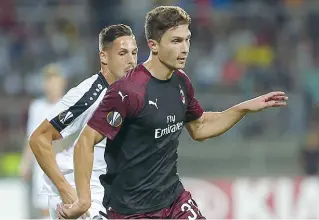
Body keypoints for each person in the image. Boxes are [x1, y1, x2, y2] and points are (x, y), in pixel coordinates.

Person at [58, 6, 288, 219]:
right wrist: (83, 200)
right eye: (176, 41)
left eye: (187, 39)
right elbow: (85, 142)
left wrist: (243, 108)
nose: (185, 48)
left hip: (174, 200)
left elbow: (200, 127)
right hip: (131, 211)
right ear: (154, 45)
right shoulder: (128, 91)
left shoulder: (181, 82)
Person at [29, 24, 138, 219]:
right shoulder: (88, 94)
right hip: (82, 196)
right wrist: (66, 191)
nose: (131, 60)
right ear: (104, 57)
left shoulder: (129, 95)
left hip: (111, 194)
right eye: (123, 53)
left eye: (134, 53)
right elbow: (38, 139)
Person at [19, 64, 66, 219]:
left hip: (66, 165)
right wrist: (25, 163)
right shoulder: (37, 107)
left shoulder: (70, 104)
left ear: (62, 82)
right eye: (49, 81)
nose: (52, 85)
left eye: (55, 80)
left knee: (66, 207)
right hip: (43, 166)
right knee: (45, 209)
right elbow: (31, 138)